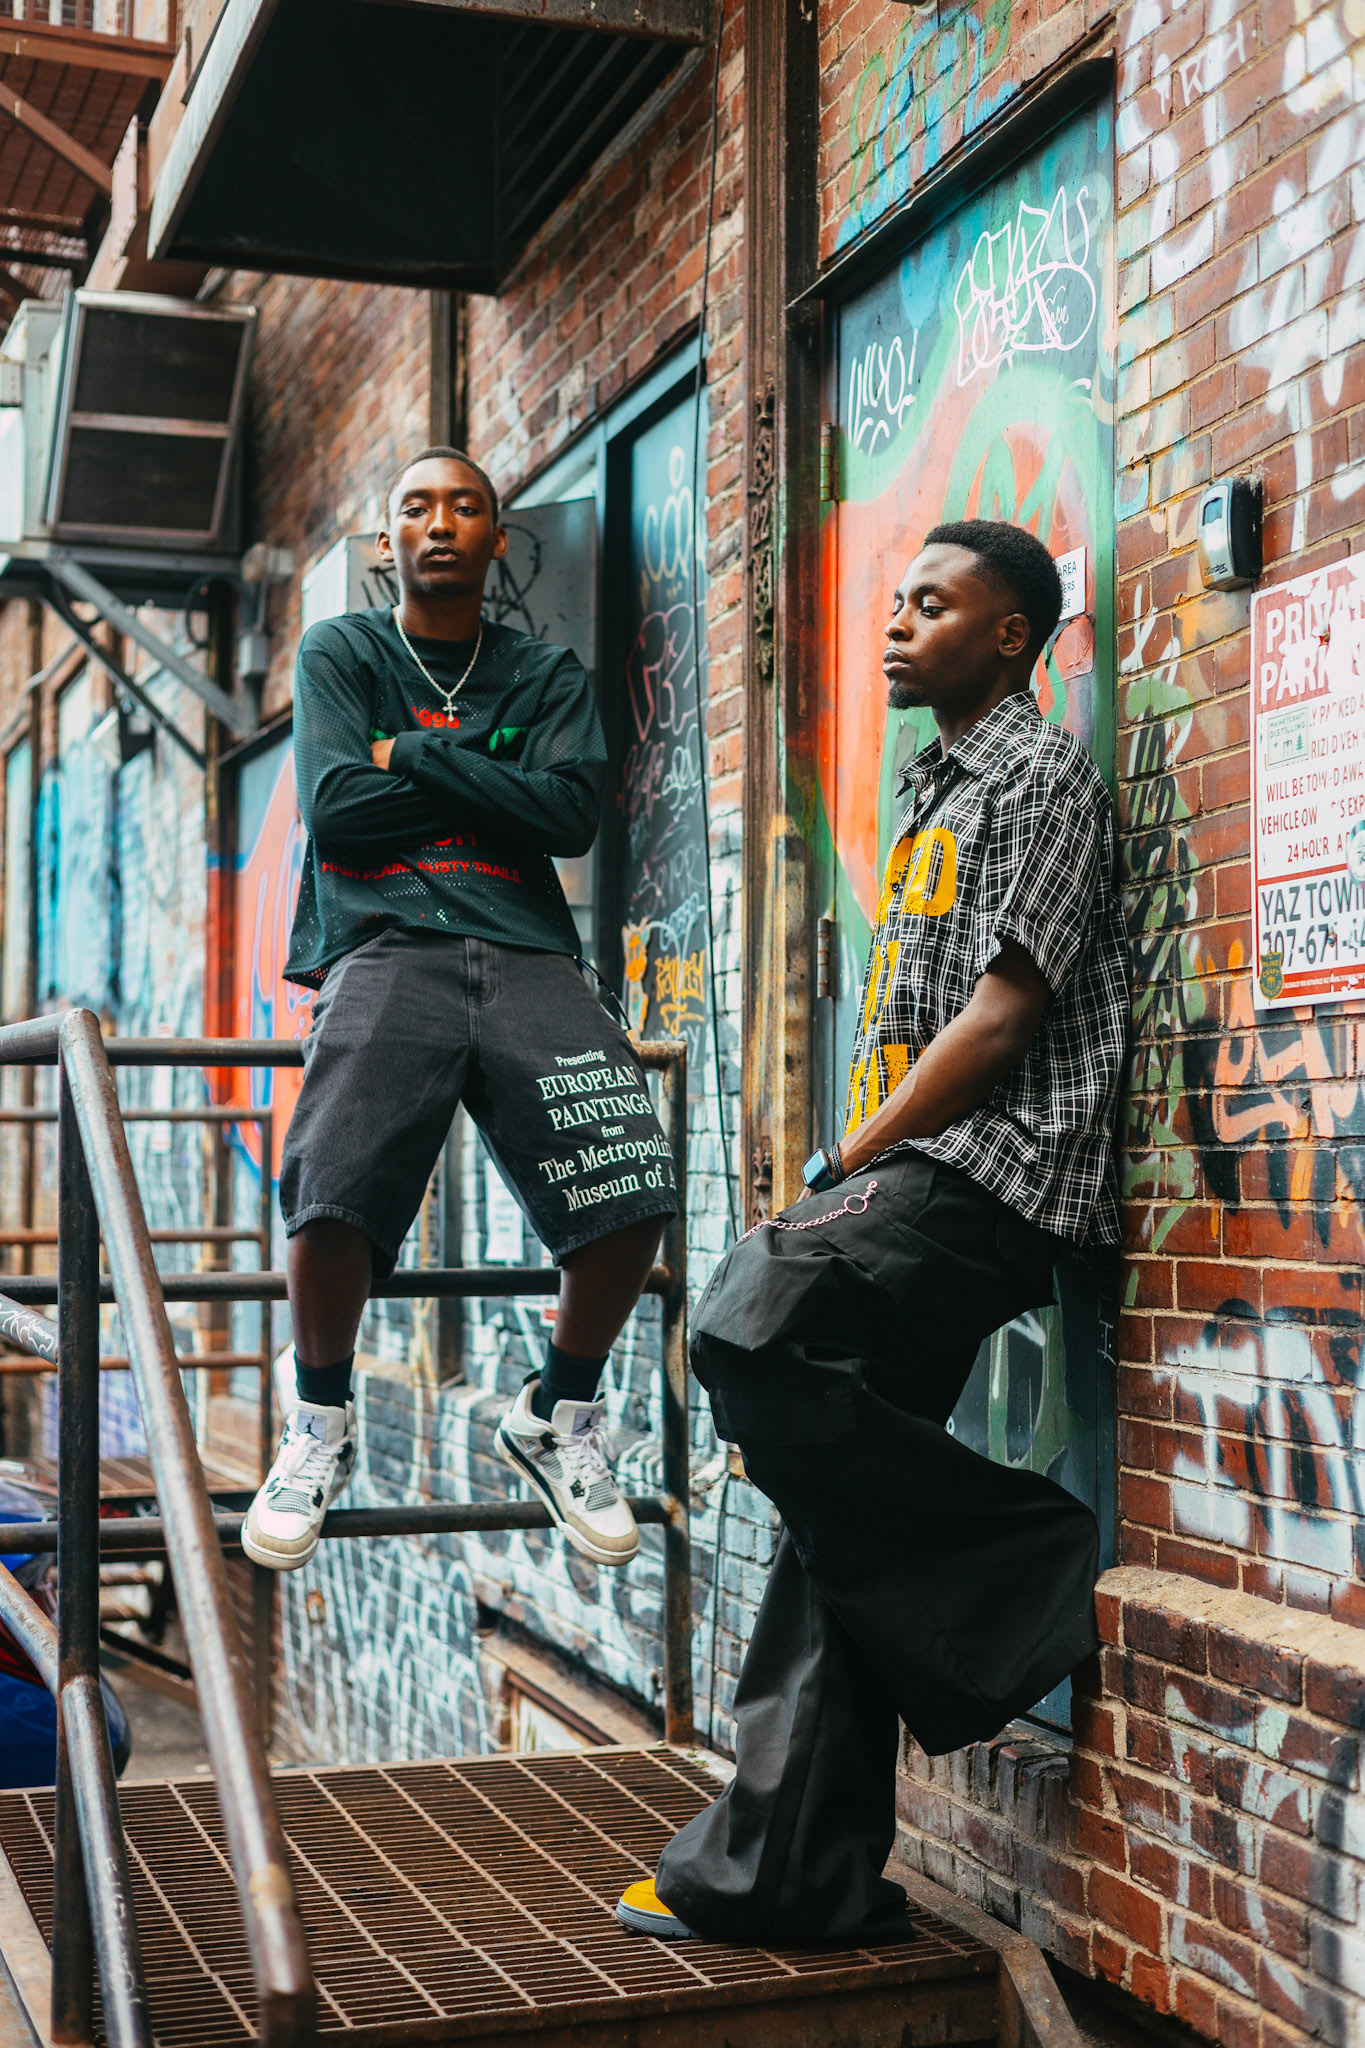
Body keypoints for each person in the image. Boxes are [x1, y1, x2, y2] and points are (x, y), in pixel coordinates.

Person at [615, 519, 1129, 1946]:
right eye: (894, 601)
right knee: (835, 1539)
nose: (896, 623)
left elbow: (1003, 1018)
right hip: (923, 1172)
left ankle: (1018, 1557)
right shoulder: (933, 785)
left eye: (931, 604)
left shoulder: (1039, 777)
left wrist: (847, 1157)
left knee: (746, 1317)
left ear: (1011, 636)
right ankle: (794, 1878)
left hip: (992, 1175)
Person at [242, 447, 678, 1576]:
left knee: (633, 1178)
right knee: (331, 1181)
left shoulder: (544, 673)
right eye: (416, 508)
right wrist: (489, 770)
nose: (440, 523)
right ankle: (319, 1422)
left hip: (527, 948)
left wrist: (411, 754)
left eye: (465, 507)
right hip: (385, 942)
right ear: (388, 540)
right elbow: (337, 810)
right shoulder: (343, 649)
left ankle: (557, 1412)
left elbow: (567, 816)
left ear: (497, 538)